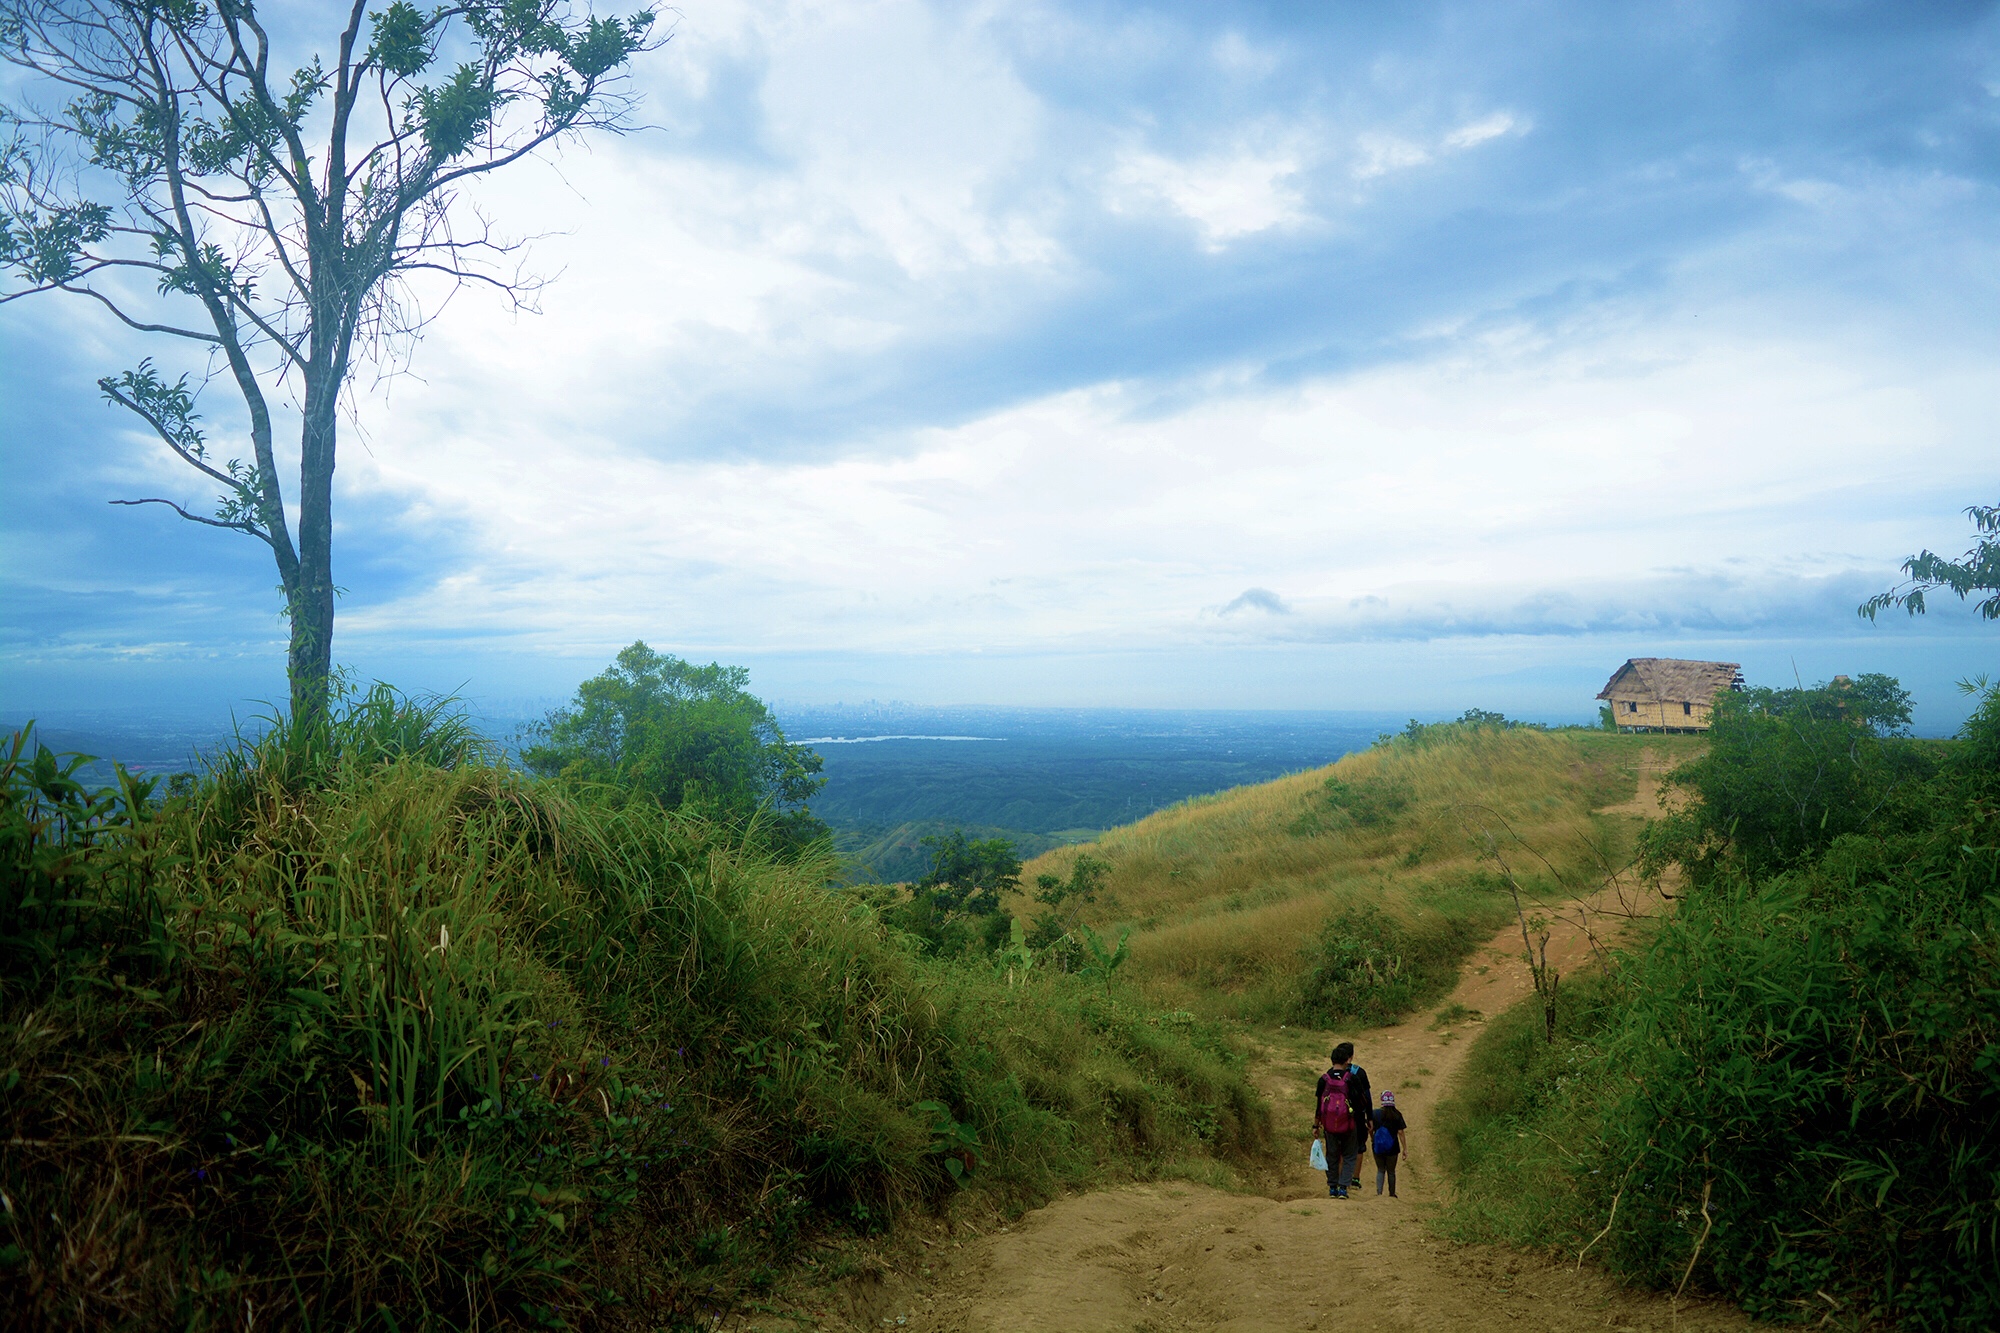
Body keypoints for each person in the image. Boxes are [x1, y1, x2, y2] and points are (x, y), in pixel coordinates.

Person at [1314, 1041, 1373, 1199]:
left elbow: (1319, 1103)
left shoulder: (1324, 1079)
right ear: (1348, 1059)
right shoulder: (1352, 1078)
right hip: (1348, 1123)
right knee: (1349, 1154)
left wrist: (1316, 1124)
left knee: (1332, 1154)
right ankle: (1343, 1188)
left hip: (1329, 1124)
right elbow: (1362, 1101)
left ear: (1332, 1060)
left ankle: (1332, 1187)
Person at [1371, 1090, 1408, 1198]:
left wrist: (1372, 1138)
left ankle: (1379, 1193)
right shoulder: (1397, 1115)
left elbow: (1370, 1128)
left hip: (1378, 1146)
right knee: (1391, 1171)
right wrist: (1405, 1148)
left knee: (1380, 1169)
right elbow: (1400, 1132)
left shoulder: (1375, 1114)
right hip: (1393, 1148)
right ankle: (1392, 1194)